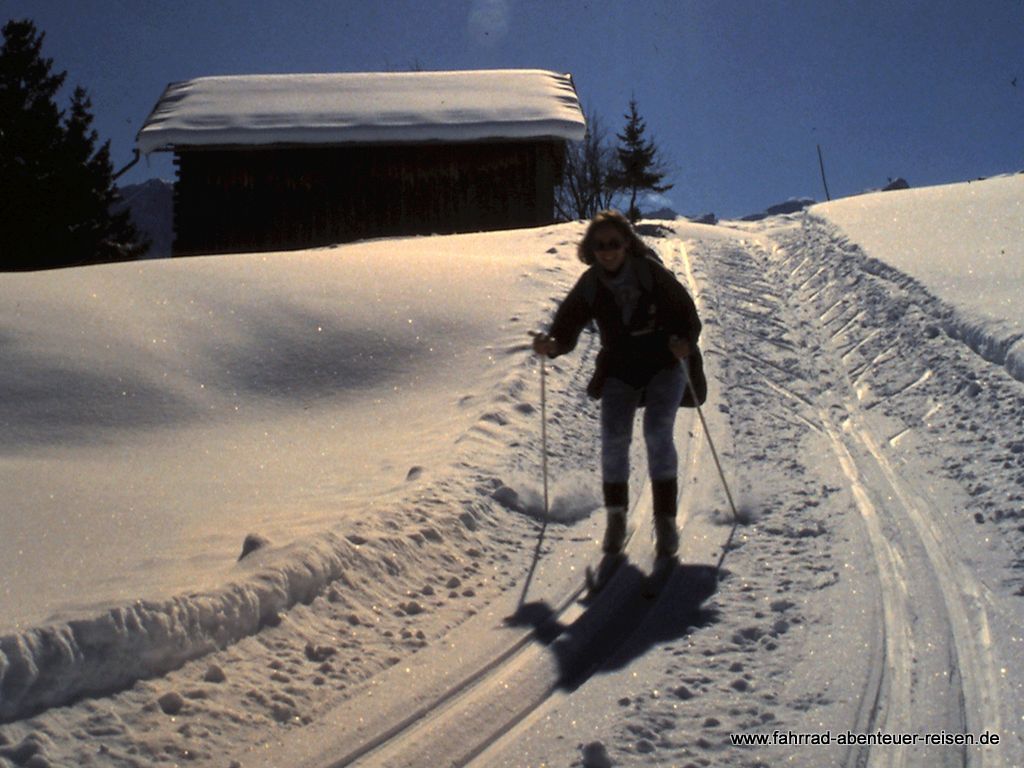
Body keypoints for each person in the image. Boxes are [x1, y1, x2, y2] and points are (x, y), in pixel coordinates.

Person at [533, 210, 702, 558]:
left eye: (614, 243)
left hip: (663, 362)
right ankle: (616, 519)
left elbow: (686, 312)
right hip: (620, 367)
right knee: (613, 440)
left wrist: (684, 339)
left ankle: (665, 522)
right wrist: (553, 345)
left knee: (657, 432)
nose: (608, 251)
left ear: (627, 243)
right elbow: (567, 325)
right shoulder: (591, 283)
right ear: (591, 249)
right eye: (600, 245)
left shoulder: (649, 272)